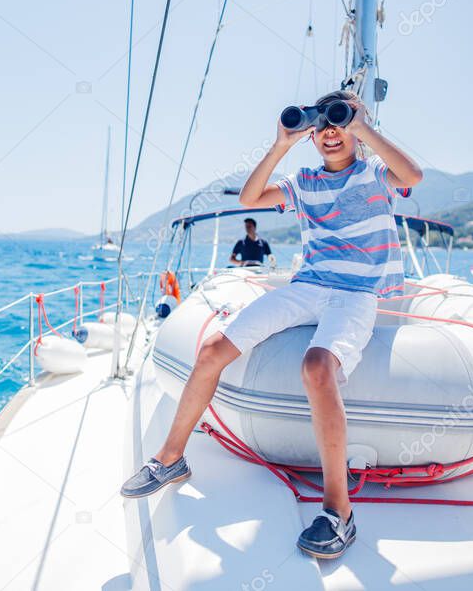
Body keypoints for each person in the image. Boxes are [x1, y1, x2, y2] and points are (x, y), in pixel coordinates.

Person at [120, 90, 423, 560]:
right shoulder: (302, 181)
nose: (330, 131)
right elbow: (250, 197)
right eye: (321, 124)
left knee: (318, 366)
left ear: (358, 126)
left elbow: (413, 176)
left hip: (355, 293)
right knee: (213, 349)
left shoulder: (376, 173)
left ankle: (338, 513)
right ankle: (170, 458)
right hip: (308, 285)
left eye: (339, 121)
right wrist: (282, 143)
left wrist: (361, 126)